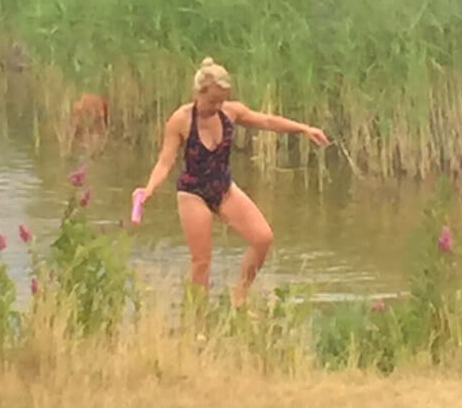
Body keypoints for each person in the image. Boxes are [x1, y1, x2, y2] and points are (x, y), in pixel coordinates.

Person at [136, 57, 329, 305]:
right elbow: (165, 161)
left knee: (262, 239)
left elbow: (267, 121)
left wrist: (304, 128)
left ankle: (239, 298)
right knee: (202, 261)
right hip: (193, 193)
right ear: (198, 93)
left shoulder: (230, 112)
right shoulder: (181, 120)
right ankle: (197, 315)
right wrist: (149, 188)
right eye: (212, 100)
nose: (217, 106)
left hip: (224, 188)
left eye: (221, 100)